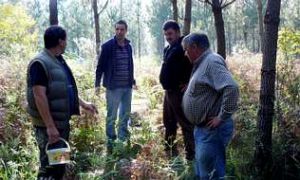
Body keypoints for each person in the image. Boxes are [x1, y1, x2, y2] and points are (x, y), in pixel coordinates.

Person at [26, 25, 97, 180]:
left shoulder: (57, 61)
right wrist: (50, 127)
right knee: (48, 168)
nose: (66, 42)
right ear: (60, 42)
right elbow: (39, 96)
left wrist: (84, 104)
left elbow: (64, 90)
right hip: (49, 128)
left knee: (59, 166)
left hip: (60, 124)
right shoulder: (40, 63)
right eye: (66, 39)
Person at [181, 33, 239, 179]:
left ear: (194, 47)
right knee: (204, 172)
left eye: (187, 49)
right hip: (204, 129)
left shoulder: (211, 61)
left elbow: (231, 88)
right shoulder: (203, 62)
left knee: (212, 174)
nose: (185, 53)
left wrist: (221, 117)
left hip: (212, 130)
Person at [95, 20, 136, 153]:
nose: (119, 31)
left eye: (122, 29)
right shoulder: (107, 46)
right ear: (115, 30)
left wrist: (133, 80)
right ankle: (111, 140)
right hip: (113, 87)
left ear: (126, 30)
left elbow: (129, 65)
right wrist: (97, 85)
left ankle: (123, 138)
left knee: (125, 114)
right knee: (112, 115)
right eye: (117, 29)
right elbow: (100, 66)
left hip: (127, 87)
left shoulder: (128, 46)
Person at [159, 20, 195, 160]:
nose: (168, 37)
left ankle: (191, 156)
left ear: (178, 32)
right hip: (169, 92)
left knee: (185, 123)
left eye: (170, 33)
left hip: (180, 92)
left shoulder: (185, 46)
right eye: (166, 34)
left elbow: (197, 64)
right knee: (168, 121)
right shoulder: (168, 48)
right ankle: (170, 151)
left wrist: (190, 83)